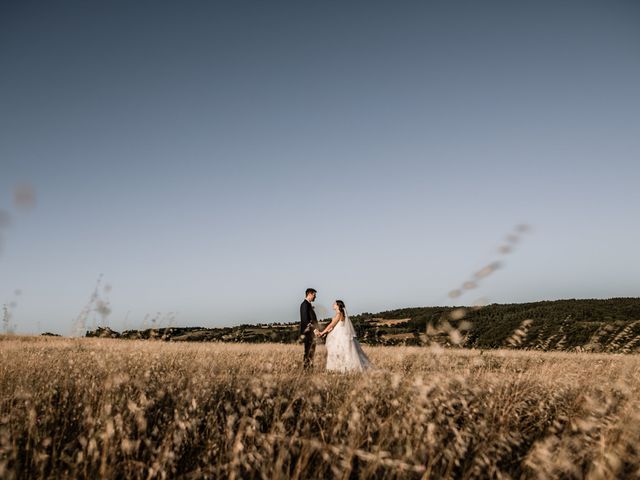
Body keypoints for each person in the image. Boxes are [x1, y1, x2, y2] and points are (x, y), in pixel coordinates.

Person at [318, 300, 372, 372]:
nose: (333, 304)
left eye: (335, 304)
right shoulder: (341, 313)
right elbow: (333, 326)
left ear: (338, 306)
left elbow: (332, 324)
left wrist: (322, 332)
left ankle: (341, 368)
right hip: (340, 332)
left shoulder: (338, 314)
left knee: (338, 351)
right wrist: (326, 332)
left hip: (339, 334)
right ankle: (345, 368)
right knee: (344, 351)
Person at [299, 288, 319, 370]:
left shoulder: (308, 304)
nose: (315, 297)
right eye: (314, 295)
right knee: (308, 352)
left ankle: (310, 369)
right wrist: (314, 330)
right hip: (308, 333)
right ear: (309, 294)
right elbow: (305, 320)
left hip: (311, 333)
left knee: (311, 352)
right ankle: (307, 370)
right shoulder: (304, 304)